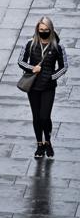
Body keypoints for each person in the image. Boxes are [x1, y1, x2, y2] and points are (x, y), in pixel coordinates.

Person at [18, 16, 68, 158]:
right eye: (41, 30)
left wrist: (52, 77)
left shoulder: (57, 47)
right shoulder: (30, 43)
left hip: (48, 87)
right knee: (36, 117)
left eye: (46, 30)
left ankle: (48, 142)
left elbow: (64, 67)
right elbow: (20, 61)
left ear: (51, 30)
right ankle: (40, 144)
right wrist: (32, 68)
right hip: (33, 87)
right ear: (37, 30)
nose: (43, 32)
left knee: (45, 117)